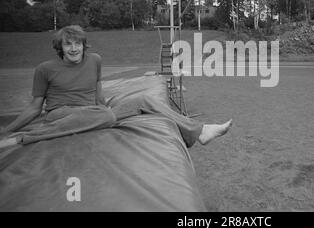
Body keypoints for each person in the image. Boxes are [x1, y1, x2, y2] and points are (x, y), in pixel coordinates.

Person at [0, 25, 232, 148]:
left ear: (84, 45)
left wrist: (105, 106)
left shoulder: (95, 60)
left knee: (144, 101)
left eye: (77, 44)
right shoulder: (44, 69)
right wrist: (8, 129)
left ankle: (200, 132)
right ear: (59, 47)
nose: (73, 49)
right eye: (67, 44)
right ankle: (20, 139)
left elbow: (97, 91)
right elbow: (34, 108)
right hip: (61, 114)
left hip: (95, 111)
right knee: (107, 118)